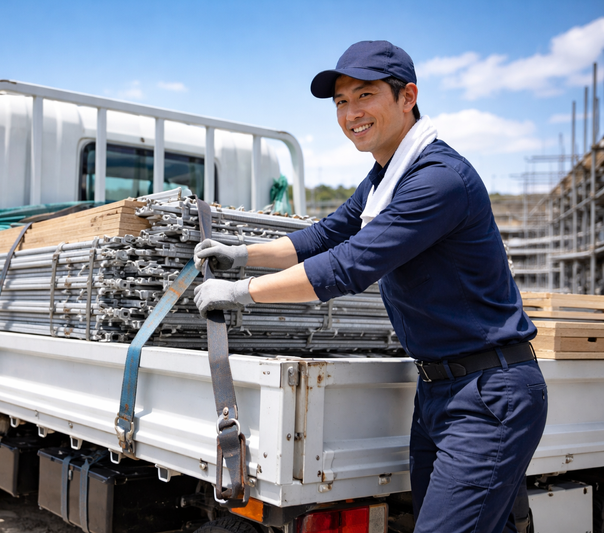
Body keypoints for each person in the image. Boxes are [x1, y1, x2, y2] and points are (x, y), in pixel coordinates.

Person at [193, 40, 548, 533]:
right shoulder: (385, 177)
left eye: (364, 96)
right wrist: (240, 255)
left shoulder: (437, 180)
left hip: (488, 394)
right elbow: (326, 235)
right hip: (440, 392)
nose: (350, 113)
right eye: (341, 102)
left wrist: (239, 294)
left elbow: (347, 266)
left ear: (407, 97)